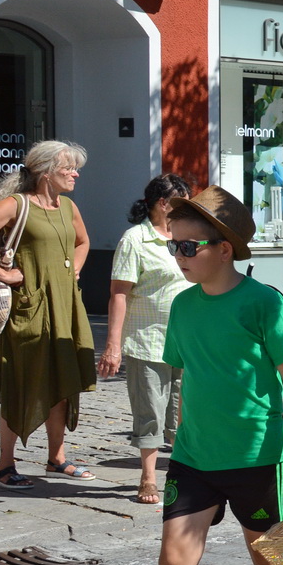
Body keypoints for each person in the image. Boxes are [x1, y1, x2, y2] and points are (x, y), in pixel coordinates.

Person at [93, 186, 283, 565]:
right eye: (175, 247)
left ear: (225, 249)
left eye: (190, 248)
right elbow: (189, 378)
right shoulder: (182, 305)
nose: (179, 257)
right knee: (174, 557)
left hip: (257, 455)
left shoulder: (264, 302)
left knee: (270, 558)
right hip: (194, 458)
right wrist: (182, 439)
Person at [0, 140, 98, 489]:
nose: (76, 173)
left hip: (65, 305)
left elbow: (83, 242)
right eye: (69, 167)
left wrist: (73, 271)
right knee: (20, 382)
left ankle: (57, 459)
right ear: (46, 172)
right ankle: (4, 467)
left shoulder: (68, 207)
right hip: (29, 308)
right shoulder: (16, 205)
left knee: (62, 382)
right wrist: (3, 274)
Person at [98, 174, 192, 504]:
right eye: (183, 200)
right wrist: (113, 345)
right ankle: (148, 477)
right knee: (150, 410)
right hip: (148, 341)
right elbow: (119, 294)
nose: (188, 206)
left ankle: (181, 474)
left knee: (187, 413)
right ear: (163, 204)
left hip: (187, 343)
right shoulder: (135, 240)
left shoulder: (186, 237)